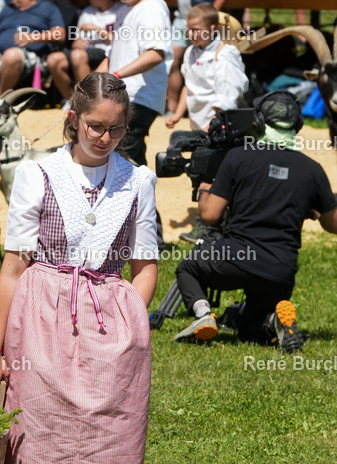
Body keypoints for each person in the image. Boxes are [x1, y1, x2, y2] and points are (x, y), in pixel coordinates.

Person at [0, 73, 159, 464]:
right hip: (40, 317)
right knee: (38, 441)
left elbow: (145, 264)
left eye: (116, 129)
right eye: (95, 127)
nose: (105, 138)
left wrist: (131, 323)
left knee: (105, 443)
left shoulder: (138, 181)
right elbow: (14, 266)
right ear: (72, 121)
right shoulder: (38, 174)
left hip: (109, 323)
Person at [172, 91, 337, 352]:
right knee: (250, 331)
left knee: (188, 268)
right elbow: (333, 224)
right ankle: (273, 320)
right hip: (279, 272)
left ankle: (203, 315)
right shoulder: (312, 169)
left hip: (234, 260)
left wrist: (205, 189)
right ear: (298, 126)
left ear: (258, 123)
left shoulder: (238, 157)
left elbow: (211, 215)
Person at [99, 0, 172, 169]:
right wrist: (89, 83)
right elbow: (111, 57)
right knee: (130, 161)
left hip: (139, 97)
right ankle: (144, 193)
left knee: (119, 161)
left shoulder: (152, 7)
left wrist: (116, 75)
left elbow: (155, 54)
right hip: (121, 95)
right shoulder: (124, 10)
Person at [164, 4, 247, 132]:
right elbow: (189, 86)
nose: (190, 34)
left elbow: (227, 95)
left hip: (220, 126)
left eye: (196, 30)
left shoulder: (225, 54)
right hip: (198, 124)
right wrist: (178, 114)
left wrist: (212, 125)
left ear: (212, 29)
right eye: (188, 29)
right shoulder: (190, 52)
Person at [0, 0, 66, 98]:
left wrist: (33, 37)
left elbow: (60, 34)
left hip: (32, 57)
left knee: (12, 55)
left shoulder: (47, 7)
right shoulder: (7, 8)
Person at [64, 0, 129, 88]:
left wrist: (95, 29)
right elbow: (76, 41)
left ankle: (88, 93)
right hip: (88, 50)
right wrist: (78, 44)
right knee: (54, 59)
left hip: (107, 51)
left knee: (78, 55)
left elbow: (117, 41)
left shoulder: (121, 9)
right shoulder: (87, 11)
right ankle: (71, 98)